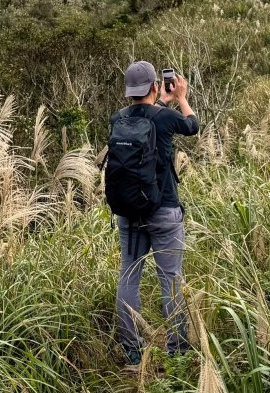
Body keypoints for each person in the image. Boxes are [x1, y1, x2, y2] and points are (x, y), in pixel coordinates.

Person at [109, 60, 199, 370]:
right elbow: (192, 125)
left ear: (129, 92)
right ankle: (177, 352)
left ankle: (133, 351)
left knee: (128, 278)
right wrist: (182, 98)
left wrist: (162, 100)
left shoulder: (117, 119)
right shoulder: (165, 119)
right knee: (171, 279)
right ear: (154, 87)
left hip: (129, 215)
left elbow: (145, 117)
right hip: (164, 213)